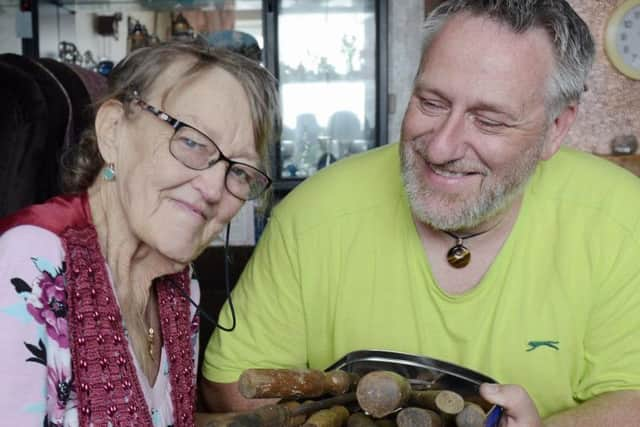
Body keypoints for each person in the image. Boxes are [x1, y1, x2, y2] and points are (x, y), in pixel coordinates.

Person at [201, 0, 640, 425]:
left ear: (556, 129)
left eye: (488, 120)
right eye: (431, 102)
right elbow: (234, 387)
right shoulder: (313, 213)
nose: (442, 147)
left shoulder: (623, 218)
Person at [0, 41, 279, 426]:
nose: (215, 189)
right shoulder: (29, 263)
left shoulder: (182, 289)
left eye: (239, 172)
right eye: (192, 142)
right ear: (113, 130)